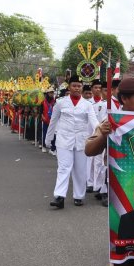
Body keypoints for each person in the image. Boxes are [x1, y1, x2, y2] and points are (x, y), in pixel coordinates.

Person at [85, 76, 134, 266]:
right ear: (124, 99)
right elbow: (89, 150)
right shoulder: (111, 121)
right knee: (122, 235)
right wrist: (104, 134)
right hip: (120, 188)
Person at [45, 75, 97, 209]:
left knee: (80, 169)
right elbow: (53, 121)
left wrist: (101, 133)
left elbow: (94, 123)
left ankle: (79, 196)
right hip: (63, 139)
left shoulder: (88, 105)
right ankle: (59, 196)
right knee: (63, 168)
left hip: (81, 141)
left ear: (82, 87)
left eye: (79, 86)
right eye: (74, 86)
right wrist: (48, 139)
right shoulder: (60, 103)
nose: (77, 88)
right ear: (69, 87)